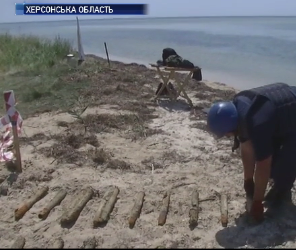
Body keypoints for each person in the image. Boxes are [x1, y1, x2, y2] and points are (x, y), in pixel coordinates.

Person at [206, 82, 296, 223]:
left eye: (227, 134)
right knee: (269, 161)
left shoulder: (257, 122)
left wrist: (257, 202)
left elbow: (263, 164)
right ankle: (280, 186)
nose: (228, 137)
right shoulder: (238, 111)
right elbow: (247, 148)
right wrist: (248, 181)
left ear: (231, 128)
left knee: (284, 163)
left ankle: (282, 192)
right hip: (279, 116)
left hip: (291, 111)